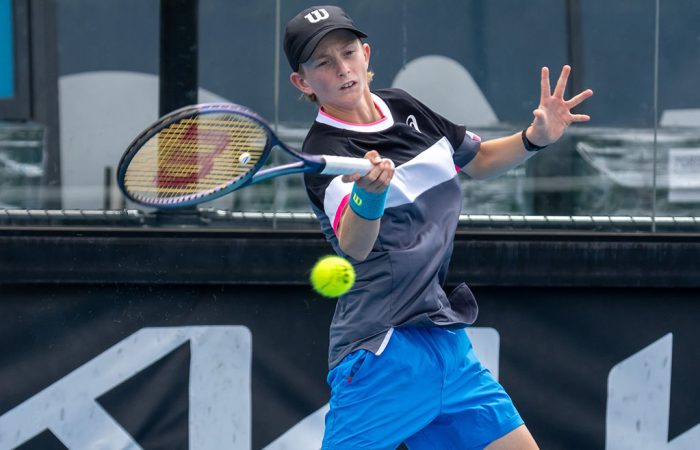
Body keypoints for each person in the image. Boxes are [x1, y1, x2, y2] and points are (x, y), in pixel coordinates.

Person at [284, 5, 593, 449]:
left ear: (366, 54)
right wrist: (369, 195)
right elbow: (354, 245)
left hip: (446, 341)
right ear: (303, 81)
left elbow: (480, 160)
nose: (342, 69)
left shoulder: (406, 107)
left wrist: (533, 139)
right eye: (323, 63)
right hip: (382, 353)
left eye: (348, 53)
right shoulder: (325, 152)